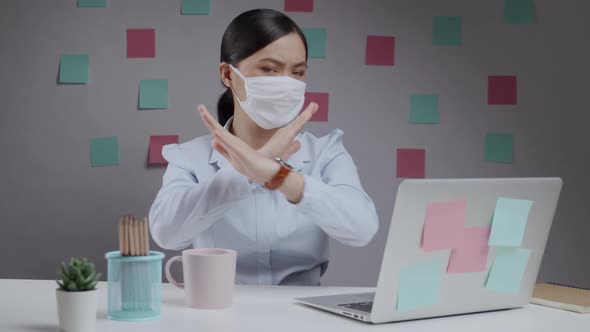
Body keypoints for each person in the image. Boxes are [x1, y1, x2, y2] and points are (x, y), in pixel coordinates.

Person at [149, 9, 379, 286]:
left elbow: (362, 229)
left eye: (298, 72)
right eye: (269, 69)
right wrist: (244, 172)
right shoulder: (190, 158)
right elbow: (167, 233)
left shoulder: (326, 152)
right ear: (227, 74)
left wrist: (278, 176)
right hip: (218, 312)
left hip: (302, 316)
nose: (286, 82)